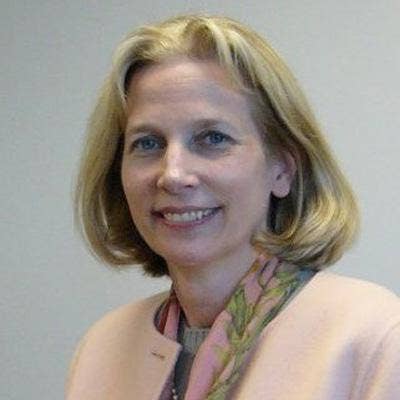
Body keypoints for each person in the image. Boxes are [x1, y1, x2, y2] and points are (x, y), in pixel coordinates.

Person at [66, 14, 400, 400]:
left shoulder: (375, 338)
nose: (173, 174)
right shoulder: (102, 348)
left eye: (212, 138)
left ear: (282, 169)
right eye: (148, 143)